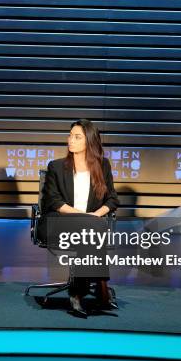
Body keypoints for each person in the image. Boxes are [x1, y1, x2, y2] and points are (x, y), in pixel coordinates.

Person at [39, 119, 119, 318]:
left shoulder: (102, 166)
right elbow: (53, 201)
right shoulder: (56, 167)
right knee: (93, 228)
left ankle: (77, 292)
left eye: (77, 137)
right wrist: (86, 218)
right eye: (70, 135)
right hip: (56, 224)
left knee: (90, 230)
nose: (70, 140)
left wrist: (95, 215)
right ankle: (102, 287)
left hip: (89, 228)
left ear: (89, 141)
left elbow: (112, 199)